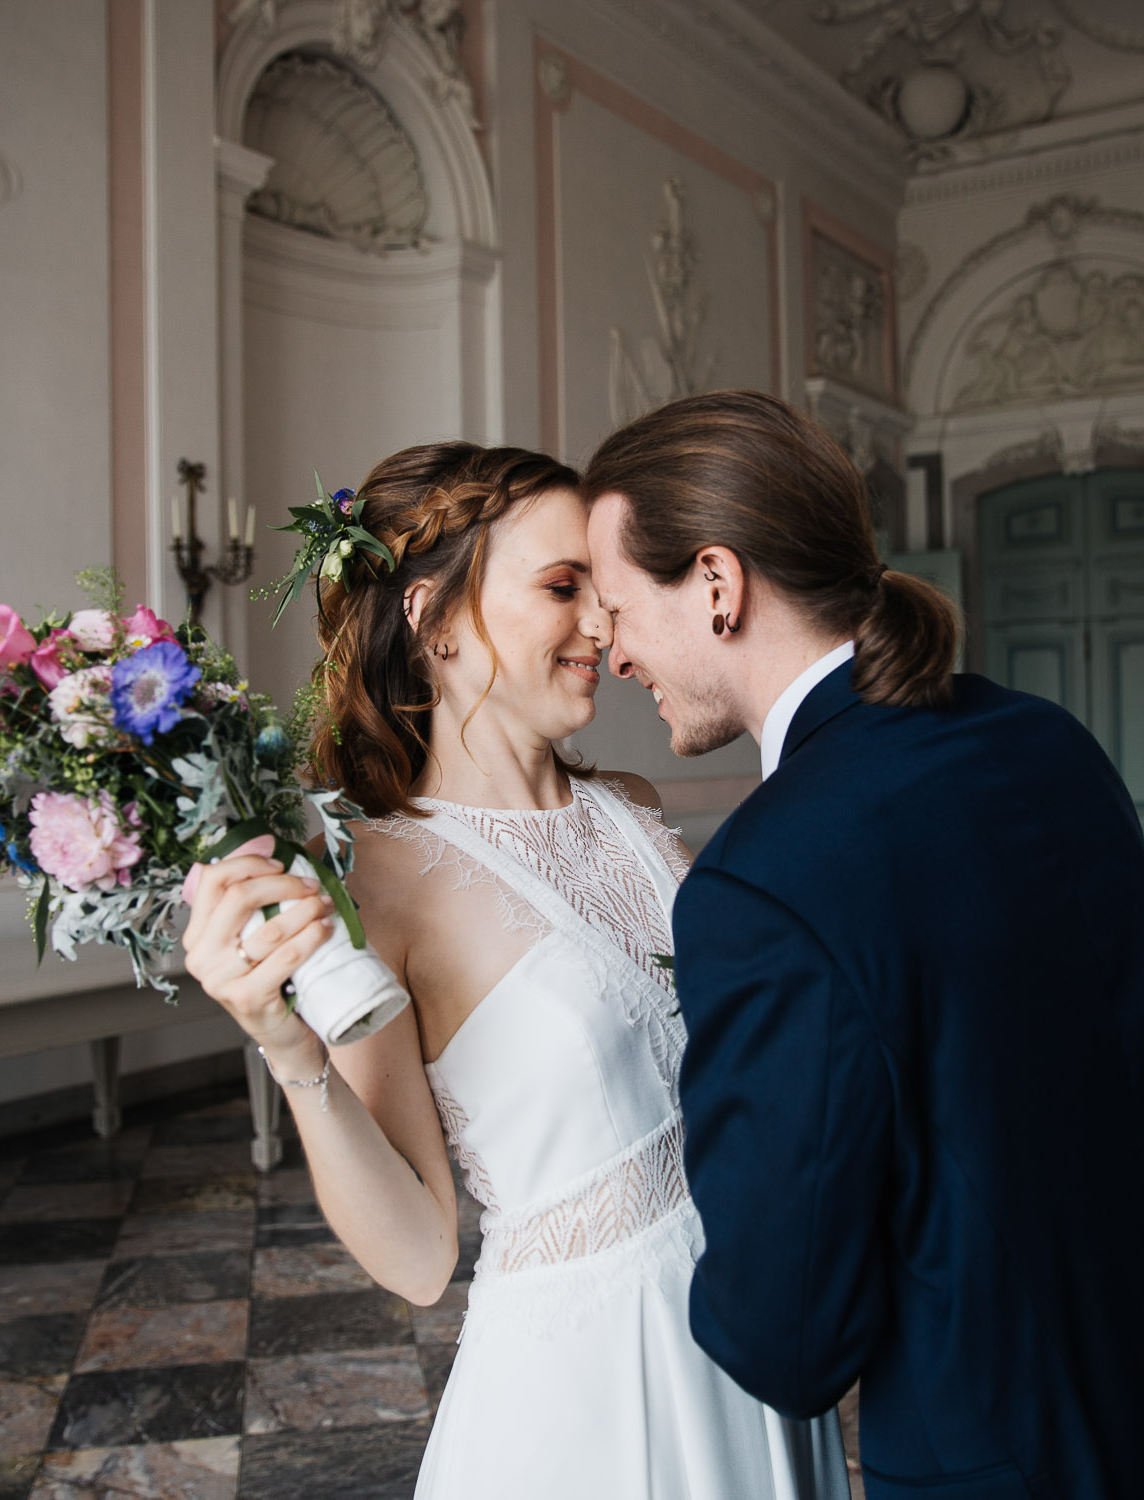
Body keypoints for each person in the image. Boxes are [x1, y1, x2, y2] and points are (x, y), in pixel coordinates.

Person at [581, 390, 1144, 1500]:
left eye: (621, 608)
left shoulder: (767, 877)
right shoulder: (1044, 738)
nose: (610, 649)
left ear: (718, 586)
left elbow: (791, 1338)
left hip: (1007, 1454)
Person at [181, 442, 846, 1498]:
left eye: (605, 589)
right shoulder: (370, 873)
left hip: (755, 1325)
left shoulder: (631, 810)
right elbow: (415, 1254)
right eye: (562, 586)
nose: (603, 624)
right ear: (432, 617)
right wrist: (286, 1048)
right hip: (590, 1391)